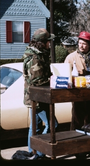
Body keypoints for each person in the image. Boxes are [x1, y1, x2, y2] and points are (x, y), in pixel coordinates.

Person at [23, 28, 58, 160]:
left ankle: (34, 154)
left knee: (35, 127)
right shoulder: (35, 57)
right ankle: (39, 153)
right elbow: (37, 81)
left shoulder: (39, 53)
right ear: (42, 42)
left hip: (34, 98)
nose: (50, 43)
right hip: (37, 98)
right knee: (52, 125)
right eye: (48, 41)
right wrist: (53, 80)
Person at [64, 31, 90, 131]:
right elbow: (65, 74)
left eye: (84, 44)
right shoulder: (71, 57)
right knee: (77, 117)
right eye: (80, 43)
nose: (81, 46)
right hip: (78, 92)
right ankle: (74, 138)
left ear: (89, 44)